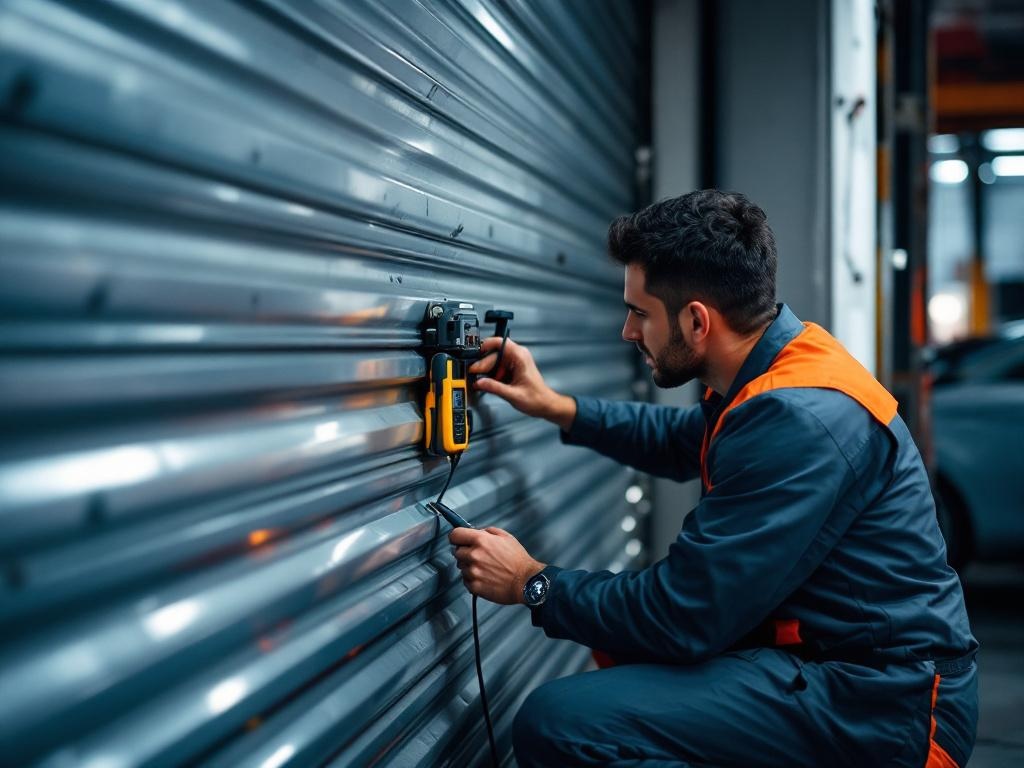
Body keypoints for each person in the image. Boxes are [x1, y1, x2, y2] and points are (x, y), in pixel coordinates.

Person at [449, 190, 978, 768]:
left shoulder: (798, 417)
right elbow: (684, 442)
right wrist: (556, 405)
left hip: (883, 706)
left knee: (563, 724)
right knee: (619, 655)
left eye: (639, 312)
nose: (627, 331)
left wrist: (531, 581)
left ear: (697, 321)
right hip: (838, 666)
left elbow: (684, 614)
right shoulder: (778, 362)